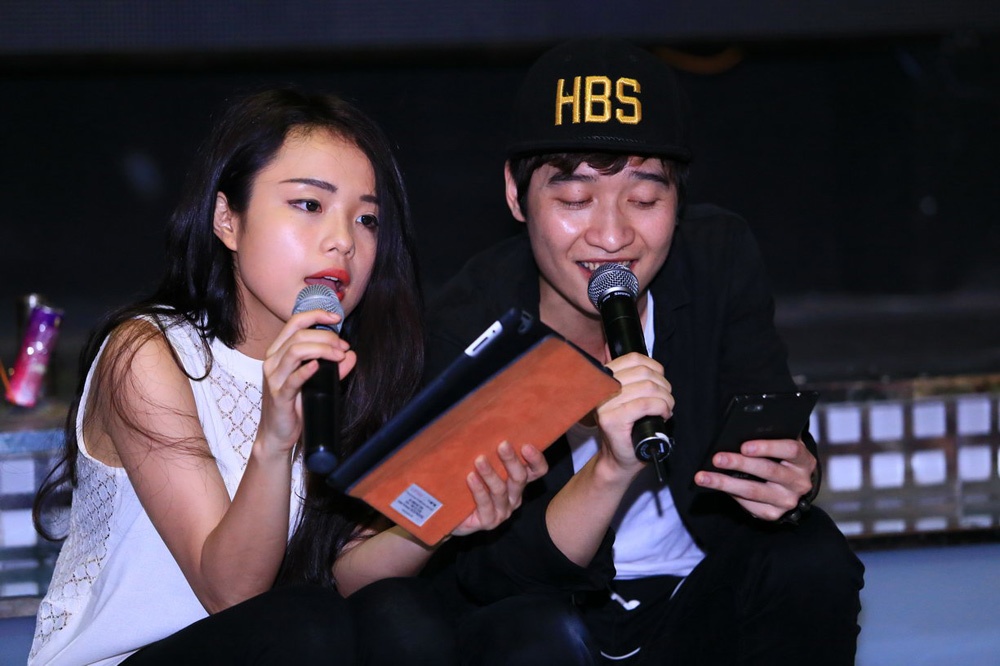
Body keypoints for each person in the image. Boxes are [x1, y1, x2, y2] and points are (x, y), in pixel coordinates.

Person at [29, 88, 545, 665]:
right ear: (227, 219)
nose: (343, 240)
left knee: (402, 612)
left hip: (289, 644)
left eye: (366, 219)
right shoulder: (149, 354)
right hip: (132, 658)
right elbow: (232, 595)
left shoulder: (353, 364)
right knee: (308, 622)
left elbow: (349, 577)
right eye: (309, 204)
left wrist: (443, 516)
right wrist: (274, 438)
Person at [421, 39, 865, 665]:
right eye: (574, 200)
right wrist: (609, 468)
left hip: (695, 599)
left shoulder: (716, 258)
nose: (611, 236)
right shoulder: (468, 329)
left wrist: (790, 475)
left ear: (678, 201)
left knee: (810, 556)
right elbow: (492, 578)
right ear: (517, 197)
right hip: (557, 614)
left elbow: (766, 421)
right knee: (533, 633)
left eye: (645, 199)